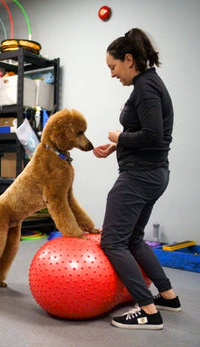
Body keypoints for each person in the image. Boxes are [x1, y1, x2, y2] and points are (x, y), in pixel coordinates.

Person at [93, 28, 181, 330]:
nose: (112, 74)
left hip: (139, 177)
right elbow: (150, 134)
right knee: (132, 238)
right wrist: (119, 145)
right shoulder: (149, 84)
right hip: (153, 173)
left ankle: (147, 309)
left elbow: (154, 136)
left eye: (113, 67)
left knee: (113, 241)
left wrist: (120, 136)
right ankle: (167, 296)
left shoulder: (145, 87)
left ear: (129, 59)